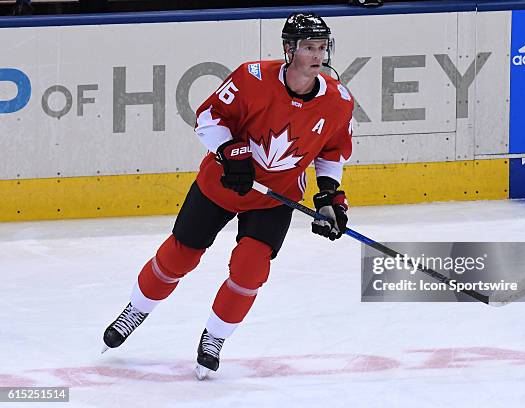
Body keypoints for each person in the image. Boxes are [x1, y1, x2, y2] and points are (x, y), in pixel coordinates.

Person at [102, 11, 354, 380]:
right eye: (307, 47)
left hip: (274, 197)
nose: (317, 55)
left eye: (321, 47)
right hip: (221, 184)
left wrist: (330, 198)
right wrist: (232, 152)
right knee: (179, 257)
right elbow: (209, 117)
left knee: (251, 270)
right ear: (289, 49)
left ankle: (214, 339)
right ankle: (136, 311)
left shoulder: (339, 101)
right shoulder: (251, 78)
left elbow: (331, 154)